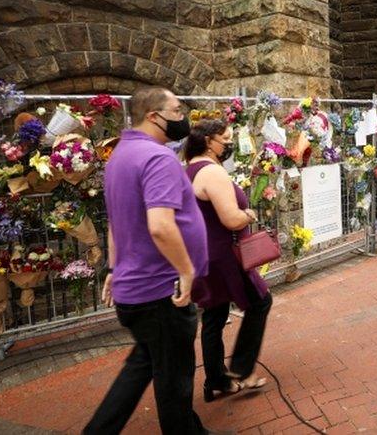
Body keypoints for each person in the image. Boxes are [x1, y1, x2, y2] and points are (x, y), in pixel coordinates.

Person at [84, 87, 213, 435]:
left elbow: (116, 222)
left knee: (144, 363)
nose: (183, 115)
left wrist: (113, 268)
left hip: (137, 287)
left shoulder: (120, 156)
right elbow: (159, 225)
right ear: (155, 116)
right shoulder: (157, 158)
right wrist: (186, 270)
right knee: (174, 380)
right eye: (177, 109)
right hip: (160, 290)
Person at [184, 119, 273, 402]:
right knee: (260, 302)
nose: (229, 144)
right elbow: (231, 219)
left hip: (204, 253)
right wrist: (248, 215)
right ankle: (242, 370)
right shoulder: (211, 172)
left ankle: (216, 381)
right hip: (224, 255)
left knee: (215, 314)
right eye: (226, 138)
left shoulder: (190, 169)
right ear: (209, 141)